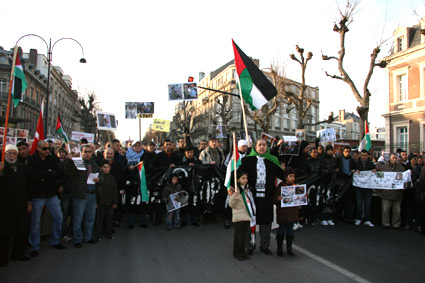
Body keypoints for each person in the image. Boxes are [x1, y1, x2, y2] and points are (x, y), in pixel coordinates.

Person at [237, 139, 286, 255]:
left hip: (267, 197)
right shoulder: (247, 160)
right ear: (255, 147)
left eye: (264, 145)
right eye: (260, 145)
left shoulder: (272, 161)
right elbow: (238, 175)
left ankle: (264, 246)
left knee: (266, 222)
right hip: (252, 197)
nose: (262, 147)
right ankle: (249, 245)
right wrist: (234, 186)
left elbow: (283, 175)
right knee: (250, 221)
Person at [0, 145, 32, 266]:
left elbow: (27, 186)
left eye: (14, 153)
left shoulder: (21, 167)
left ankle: (18, 254)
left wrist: (29, 202)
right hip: (5, 206)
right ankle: (3, 258)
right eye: (9, 153)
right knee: (4, 233)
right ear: (5, 154)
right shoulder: (3, 167)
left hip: (21, 204)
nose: (12, 156)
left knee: (21, 230)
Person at [65, 144, 100, 248]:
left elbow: (101, 177)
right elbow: (68, 172)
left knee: (90, 218)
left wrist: (99, 180)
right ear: (81, 152)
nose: (88, 154)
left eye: (89, 152)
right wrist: (70, 161)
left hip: (92, 194)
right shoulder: (77, 163)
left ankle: (88, 237)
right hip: (80, 195)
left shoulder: (95, 165)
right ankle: (77, 239)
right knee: (78, 218)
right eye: (85, 152)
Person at [228, 170, 254, 261]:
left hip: (246, 215)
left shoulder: (247, 189)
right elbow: (231, 204)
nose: (245, 180)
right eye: (243, 178)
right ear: (238, 180)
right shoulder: (236, 190)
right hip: (239, 216)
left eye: (246, 178)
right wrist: (234, 196)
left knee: (244, 236)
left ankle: (243, 251)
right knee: (238, 236)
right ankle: (236, 252)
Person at [275, 167, 298, 257]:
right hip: (283, 214)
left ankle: (289, 248)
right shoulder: (281, 187)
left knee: (290, 231)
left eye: (293, 176)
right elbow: (274, 198)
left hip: (292, 214)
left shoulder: (295, 186)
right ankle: (279, 248)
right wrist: (278, 198)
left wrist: (303, 196)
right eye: (290, 176)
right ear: (285, 177)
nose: (292, 178)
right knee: (281, 230)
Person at [379, 153, 405, 230]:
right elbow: (379, 180)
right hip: (386, 193)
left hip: (397, 193)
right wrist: (380, 191)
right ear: (389, 159)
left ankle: (396, 224)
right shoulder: (383, 168)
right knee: (385, 209)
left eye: (396, 158)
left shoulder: (401, 168)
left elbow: (403, 180)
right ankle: (386, 223)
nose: (394, 159)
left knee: (397, 210)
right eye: (393, 158)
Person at [95, 160, 118, 241]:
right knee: (100, 219)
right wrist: (96, 202)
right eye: (104, 167)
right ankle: (99, 234)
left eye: (108, 167)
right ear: (101, 168)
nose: (106, 169)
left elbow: (115, 191)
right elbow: (96, 191)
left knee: (109, 219)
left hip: (110, 202)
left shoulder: (112, 178)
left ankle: (108, 233)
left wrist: (115, 202)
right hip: (101, 202)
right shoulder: (98, 178)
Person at [354, 150, 376, 227]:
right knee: (359, 204)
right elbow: (353, 171)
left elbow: (375, 173)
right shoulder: (356, 164)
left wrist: (374, 171)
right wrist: (355, 171)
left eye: (365, 155)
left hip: (368, 187)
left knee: (368, 204)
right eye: (362, 155)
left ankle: (368, 219)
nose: (364, 157)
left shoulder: (371, 164)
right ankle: (358, 218)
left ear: (367, 156)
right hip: (359, 187)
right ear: (360, 156)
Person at [335, 146, 356, 224]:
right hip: (340, 181)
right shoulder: (338, 159)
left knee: (348, 201)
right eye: (346, 151)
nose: (347, 153)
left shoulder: (351, 160)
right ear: (343, 152)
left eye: (349, 151)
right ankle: (337, 217)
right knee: (339, 200)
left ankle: (348, 217)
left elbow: (354, 168)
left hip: (348, 182)